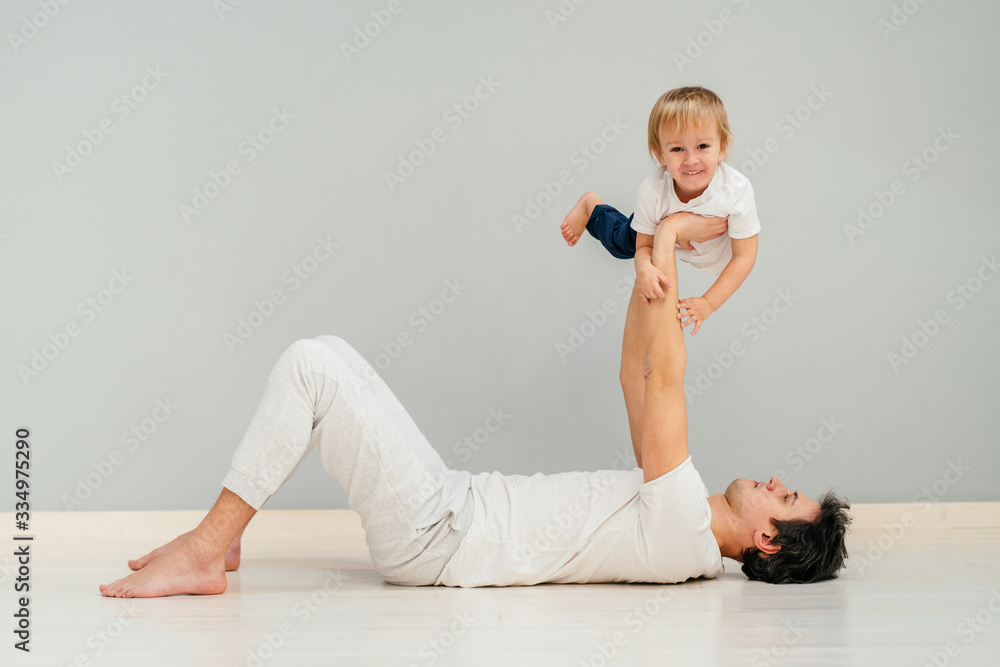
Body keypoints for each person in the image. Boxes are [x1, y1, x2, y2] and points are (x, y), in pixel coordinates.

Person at [99, 219, 849, 599]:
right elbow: (634, 374)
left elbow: (664, 385)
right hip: (451, 504)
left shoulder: (685, 520)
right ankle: (226, 538)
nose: (778, 479)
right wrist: (644, 256)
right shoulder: (676, 518)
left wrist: (676, 239)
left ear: (767, 540)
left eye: (786, 497)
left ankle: (205, 551)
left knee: (311, 364)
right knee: (327, 356)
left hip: (439, 535)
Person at [560, 85, 760, 464]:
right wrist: (644, 270)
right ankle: (592, 206)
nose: (691, 160)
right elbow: (644, 250)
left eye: (703, 146)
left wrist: (707, 303)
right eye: (676, 149)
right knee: (623, 240)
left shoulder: (735, 191)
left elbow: (745, 256)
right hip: (656, 232)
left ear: (722, 147)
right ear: (659, 153)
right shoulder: (654, 189)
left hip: (698, 247)